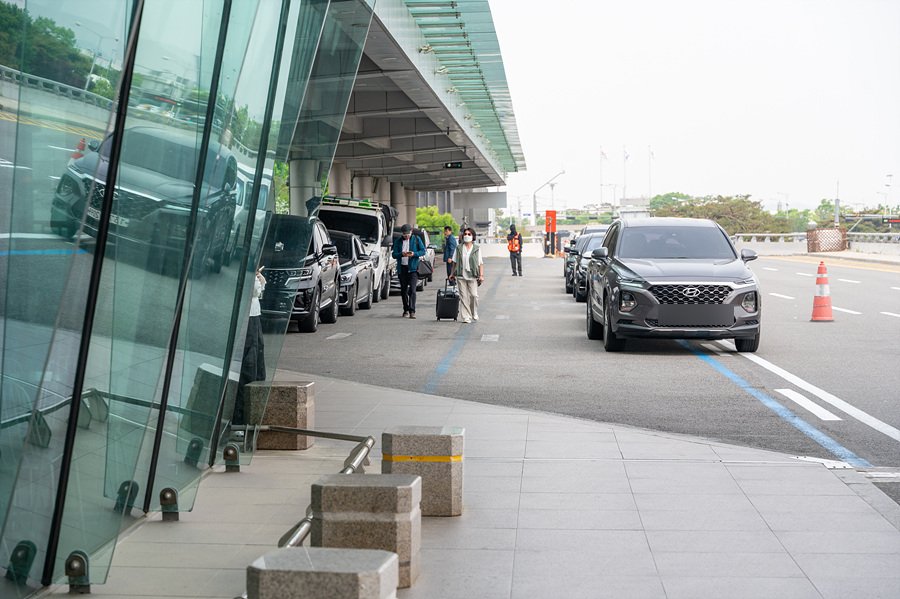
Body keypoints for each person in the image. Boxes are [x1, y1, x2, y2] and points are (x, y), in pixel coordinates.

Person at [233, 266, 266, 425]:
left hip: (254, 316)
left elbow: (258, 292)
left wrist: (259, 278)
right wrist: (256, 278)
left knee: (254, 364)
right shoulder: (246, 271)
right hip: (250, 319)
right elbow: (254, 291)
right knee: (249, 366)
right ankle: (242, 417)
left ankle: (247, 416)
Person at [448, 227, 484, 324]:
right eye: (465, 234)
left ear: (473, 236)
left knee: (474, 295)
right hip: (461, 275)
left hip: (472, 275)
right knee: (464, 297)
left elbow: (480, 263)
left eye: (469, 234)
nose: (467, 236)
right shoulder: (459, 248)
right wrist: (452, 274)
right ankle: (466, 317)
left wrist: (481, 275)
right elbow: (454, 262)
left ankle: (474, 312)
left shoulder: (476, 249)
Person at [392, 223, 425, 319]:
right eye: (405, 235)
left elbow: (423, 251)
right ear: (402, 234)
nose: (407, 236)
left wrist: (414, 254)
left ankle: (412, 311)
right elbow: (394, 254)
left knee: (413, 290)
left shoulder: (416, 239)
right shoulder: (398, 241)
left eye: (408, 234)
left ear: (411, 231)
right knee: (403, 290)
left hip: (413, 268)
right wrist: (402, 254)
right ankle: (405, 309)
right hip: (402, 268)